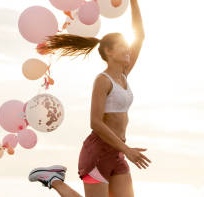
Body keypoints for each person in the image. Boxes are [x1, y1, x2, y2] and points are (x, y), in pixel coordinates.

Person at [28, 0, 151, 196]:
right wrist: (127, 149)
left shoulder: (124, 75)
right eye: (122, 47)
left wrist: (134, 2)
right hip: (96, 154)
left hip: (117, 153)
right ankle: (54, 180)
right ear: (109, 52)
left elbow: (140, 36)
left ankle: (54, 178)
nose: (128, 50)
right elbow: (95, 123)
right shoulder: (103, 81)